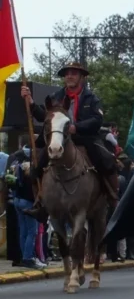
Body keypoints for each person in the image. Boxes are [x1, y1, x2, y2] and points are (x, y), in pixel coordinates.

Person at [19, 62, 119, 222]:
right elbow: (43, 117)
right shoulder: (55, 97)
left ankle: (113, 196)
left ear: (81, 77)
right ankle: (40, 203)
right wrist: (30, 102)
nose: (69, 76)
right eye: (67, 74)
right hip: (59, 138)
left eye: (73, 73)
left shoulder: (91, 98)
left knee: (106, 159)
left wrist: (76, 127)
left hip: (83, 137)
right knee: (36, 165)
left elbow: (97, 119)